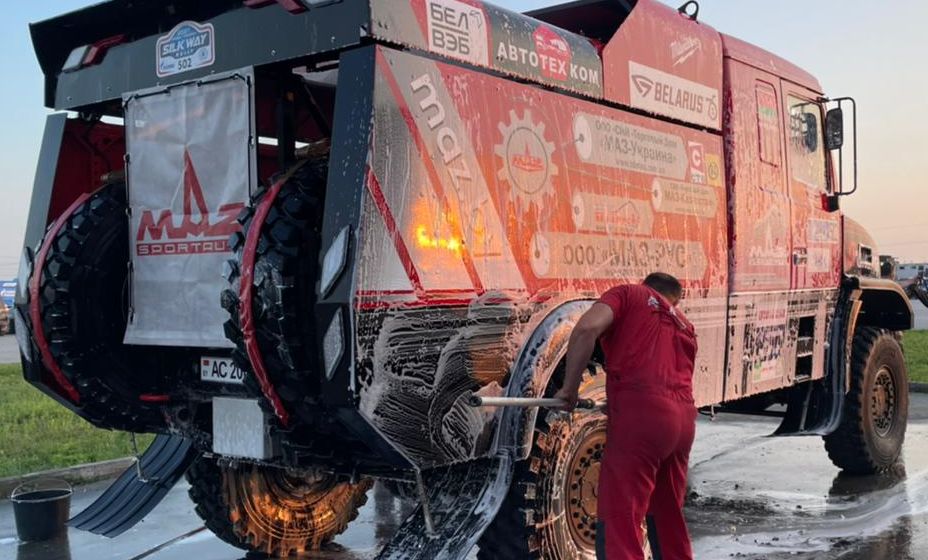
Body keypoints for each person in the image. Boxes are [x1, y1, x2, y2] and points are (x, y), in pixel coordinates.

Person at [554, 272, 698, 560]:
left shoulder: (629, 294)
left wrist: (568, 389)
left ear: (647, 286)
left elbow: (586, 329)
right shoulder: (685, 324)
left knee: (622, 514)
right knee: (668, 515)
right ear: (675, 299)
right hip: (683, 422)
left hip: (644, 419)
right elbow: (665, 377)